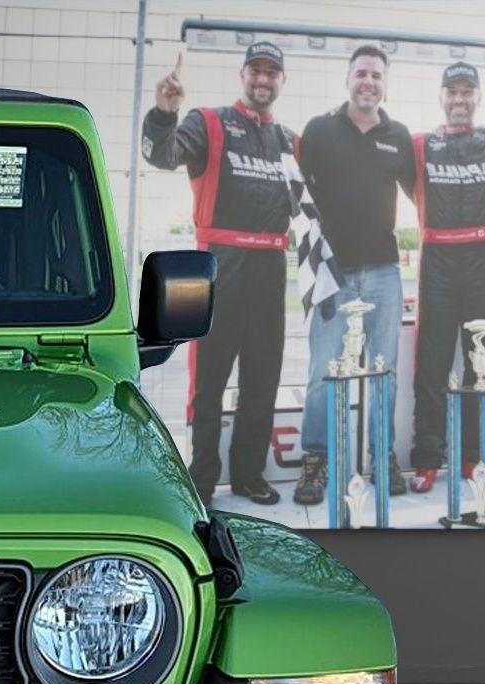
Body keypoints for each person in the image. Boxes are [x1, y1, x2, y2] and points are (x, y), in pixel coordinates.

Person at [141, 41, 294, 506]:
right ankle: (202, 479)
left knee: (262, 379)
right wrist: (164, 113)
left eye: (272, 72)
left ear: (281, 81)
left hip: (272, 269)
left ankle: (248, 474)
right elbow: (162, 155)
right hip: (220, 263)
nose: (263, 79)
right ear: (242, 75)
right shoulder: (208, 122)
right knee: (208, 381)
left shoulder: (290, 140)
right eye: (256, 71)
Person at [295, 45, 415, 505]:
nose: (369, 82)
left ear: (385, 84)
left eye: (377, 76)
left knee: (382, 372)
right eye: (362, 73)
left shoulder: (399, 136)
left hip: (384, 271)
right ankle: (317, 458)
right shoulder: (320, 130)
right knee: (324, 371)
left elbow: (424, 196)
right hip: (332, 271)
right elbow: (294, 195)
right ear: (348, 78)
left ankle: (381, 456)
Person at [406, 63, 485, 493]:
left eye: (468, 92)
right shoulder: (418, 144)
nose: (460, 100)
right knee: (430, 362)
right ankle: (428, 457)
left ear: (479, 97)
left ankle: (473, 455)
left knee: (479, 364)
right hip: (438, 258)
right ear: (441, 98)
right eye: (452, 92)